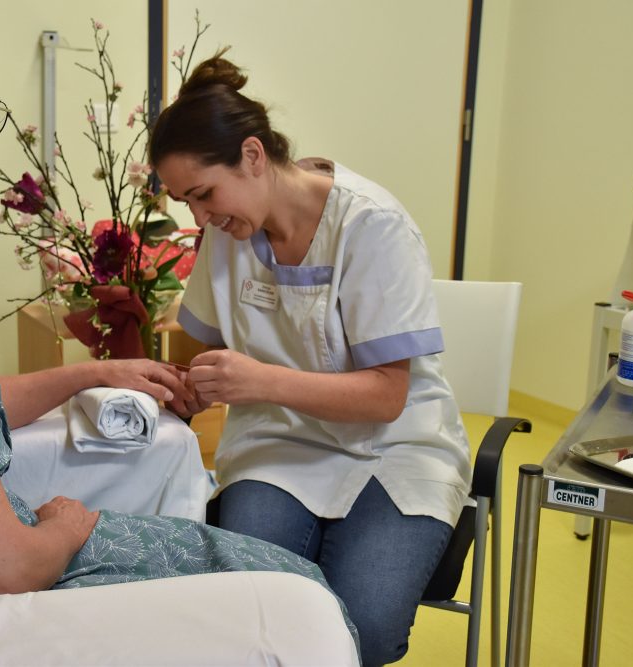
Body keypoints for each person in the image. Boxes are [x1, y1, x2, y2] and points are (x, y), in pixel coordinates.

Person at [0, 0, 356, 634]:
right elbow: (4, 566)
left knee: (281, 572)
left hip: (4, 544)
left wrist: (91, 375)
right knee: (301, 596)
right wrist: (68, 526)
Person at [149, 54, 471, 667]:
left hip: (395, 448)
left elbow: (385, 396)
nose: (200, 217)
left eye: (204, 194)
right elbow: (196, 349)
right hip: (280, 446)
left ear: (251, 155)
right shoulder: (228, 231)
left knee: (362, 631)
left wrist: (258, 379)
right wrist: (182, 387)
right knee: (244, 612)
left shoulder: (371, 226)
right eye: (186, 201)